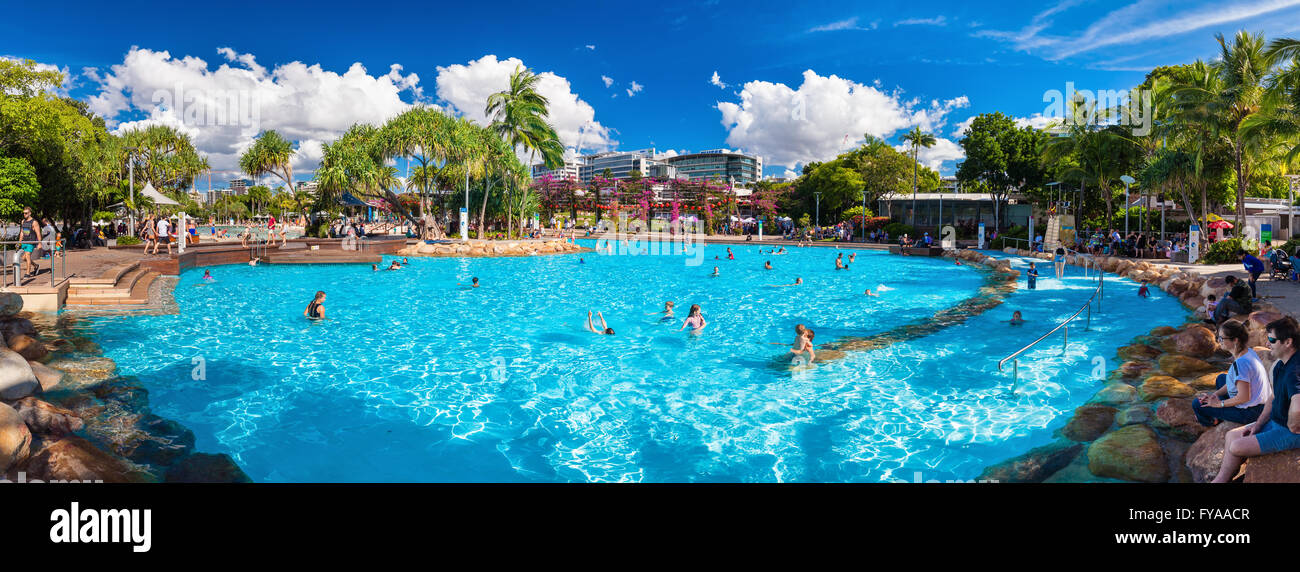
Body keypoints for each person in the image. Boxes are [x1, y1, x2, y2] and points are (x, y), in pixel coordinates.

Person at [1212, 316, 1300, 483]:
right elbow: (1273, 397)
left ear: (1288, 342)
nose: (1267, 344)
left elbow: (1298, 406)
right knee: (1232, 436)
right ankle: (1221, 480)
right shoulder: (1281, 364)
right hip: (1275, 420)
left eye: (1272, 340)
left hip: (1287, 430)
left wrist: (1294, 426)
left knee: (1236, 446)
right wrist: (1258, 424)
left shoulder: (1293, 372)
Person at [1193, 321, 1269, 427]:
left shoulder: (1241, 364)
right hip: (1260, 404)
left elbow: (1244, 397)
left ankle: (1213, 421)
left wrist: (1219, 404)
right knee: (1221, 378)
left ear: (1235, 340)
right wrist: (1215, 394)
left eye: (1221, 338)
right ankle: (1220, 411)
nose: (1219, 341)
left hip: (1251, 412)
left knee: (1197, 405)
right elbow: (1234, 381)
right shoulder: (1249, 352)